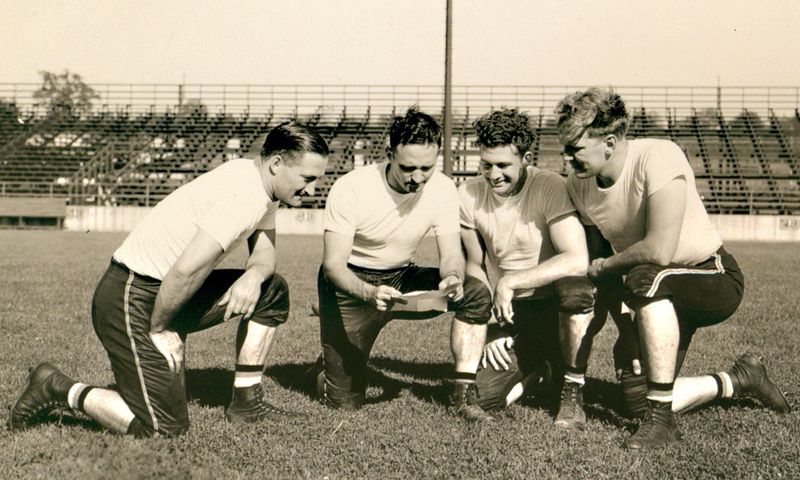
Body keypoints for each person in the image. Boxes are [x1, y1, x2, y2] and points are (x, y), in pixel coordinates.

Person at [7, 121, 329, 437]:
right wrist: (160, 329)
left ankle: (246, 403)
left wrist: (254, 276)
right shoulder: (243, 196)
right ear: (276, 164)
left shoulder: (260, 186)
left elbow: (265, 256)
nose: (313, 190)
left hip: (171, 292)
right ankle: (56, 386)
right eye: (308, 178)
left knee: (271, 290)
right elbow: (185, 271)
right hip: (131, 294)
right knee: (163, 428)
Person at [555, 87, 791, 450]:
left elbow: (659, 250)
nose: (566, 158)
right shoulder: (579, 184)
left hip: (710, 276)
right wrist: (626, 328)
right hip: (650, 290)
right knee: (635, 400)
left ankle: (662, 424)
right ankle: (740, 380)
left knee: (646, 276)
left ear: (610, 141)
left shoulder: (658, 156)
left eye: (574, 149)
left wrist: (605, 268)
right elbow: (604, 271)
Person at [310, 107, 493, 422]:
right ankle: (325, 368)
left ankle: (463, 395)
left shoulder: (443, 188)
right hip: (353, 284)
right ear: (388, 154)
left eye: (427, 168)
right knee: (345, 403)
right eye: (408, 168)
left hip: (402, 278)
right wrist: (369, 294)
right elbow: (333, 267)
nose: (418, 178)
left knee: (475, 293)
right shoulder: (352, 188)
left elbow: (451, 254)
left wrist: (451, 278)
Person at [458, 108, 613, 429]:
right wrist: (491, 327)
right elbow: (474, 265)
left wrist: (511, 281)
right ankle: (542, 370)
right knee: (485, 397)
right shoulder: (468, 194)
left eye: (503, 165)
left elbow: (575, 258)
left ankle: (571, 391)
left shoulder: (549, 186)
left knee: (575, 289)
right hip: (511, 313)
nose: (493, 174)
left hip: (556, 305)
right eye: (486, 164)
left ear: (525, 158)